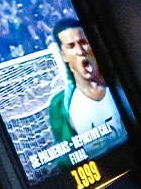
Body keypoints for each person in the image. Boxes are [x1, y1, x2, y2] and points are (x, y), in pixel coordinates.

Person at [45, 20, 122, 155]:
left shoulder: (119, 84)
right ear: (63, 55)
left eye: (83, 43)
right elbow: (67, 159)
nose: (80, 51)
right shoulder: (61, 106)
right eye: (71, 46)